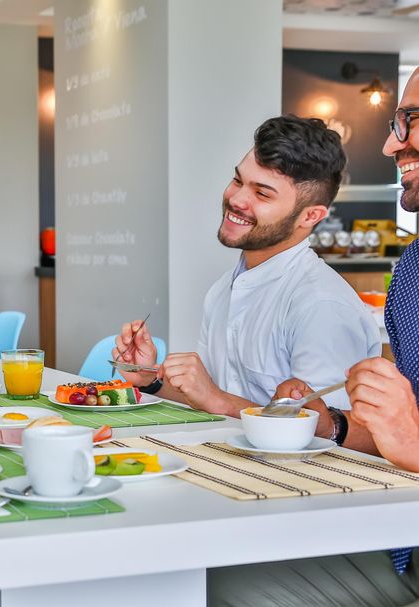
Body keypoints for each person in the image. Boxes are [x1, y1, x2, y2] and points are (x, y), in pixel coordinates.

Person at [208, 67, 419, 607]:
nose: (392, 142)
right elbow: (379, 440)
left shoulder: (322, 299)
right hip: (393, 530)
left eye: (411, 121)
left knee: (198, 580)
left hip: (378, 538)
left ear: (310, 217)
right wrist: (337, 423)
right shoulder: (413, 269)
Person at [114, 115, 380, 418]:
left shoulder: (322, 306)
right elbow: (212, 396)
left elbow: (326, 433)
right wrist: (151, 379)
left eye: (262, 193)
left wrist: (215, 399)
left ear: (310, 217)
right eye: (238, 180)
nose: (236, 199)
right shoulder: (223, 289)